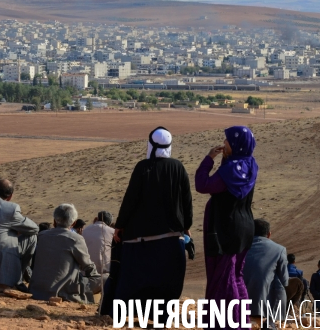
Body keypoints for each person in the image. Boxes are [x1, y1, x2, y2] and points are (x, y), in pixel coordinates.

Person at [106, 127, 192, 316]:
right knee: (167, 282)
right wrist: (186, 227)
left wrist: (120, 226)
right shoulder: (178, 167)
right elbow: (187, 201)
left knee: (136, 279)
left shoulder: (142, 167)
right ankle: (160, 317)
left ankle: (129, 314)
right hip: (171, 238)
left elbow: (130, 200)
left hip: (140, 239)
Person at [195, 125, 258, 328]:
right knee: (236, 275)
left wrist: (208, 159)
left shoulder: (230, 171)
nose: (224, 144)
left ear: (237, 144)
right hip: (244, 227)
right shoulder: (250, 165)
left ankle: (226, 324)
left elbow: (202, 185)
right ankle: (241, 320)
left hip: (225, 229)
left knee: (224, 278)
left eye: (228, 141)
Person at [30, 204, 104, 303]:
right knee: (105, 278)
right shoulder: (75, 239)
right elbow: (87, 265)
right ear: (73, 223)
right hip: (62, 291)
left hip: (37, 290)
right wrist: (94, 276)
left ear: (54, 221)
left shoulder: (41, 236)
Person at [244, 219, 289, 326]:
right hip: (264, 301)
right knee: (277, 279)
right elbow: (284, 280)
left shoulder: (240, 248)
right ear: (269, 234)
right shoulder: (279, 249)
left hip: (240, 300)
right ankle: (269, 323)